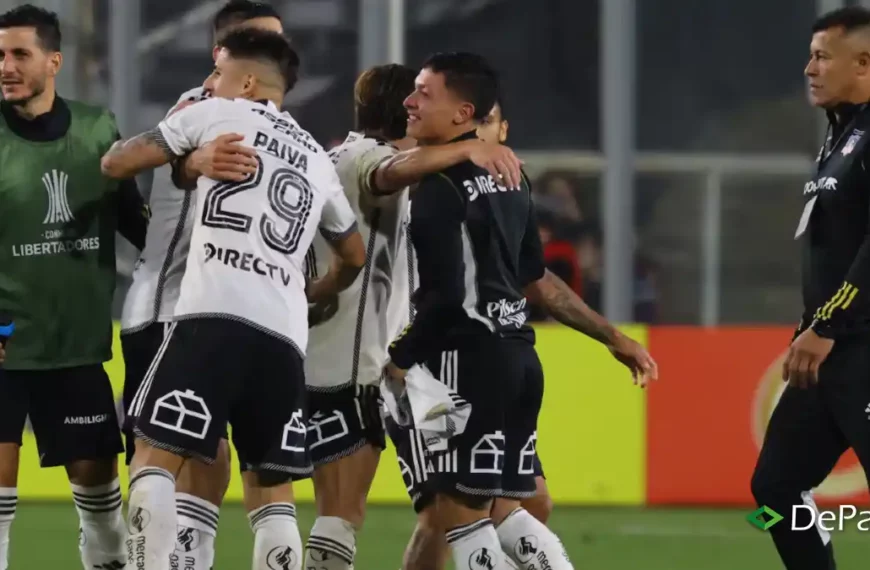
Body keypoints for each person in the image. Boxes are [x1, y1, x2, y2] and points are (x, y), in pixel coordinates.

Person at [101, 28, 365, 570]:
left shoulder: (217, 113)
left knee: (153, 460)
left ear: (245, 82)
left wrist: (190, 155)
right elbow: (354, 254)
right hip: (284, 337)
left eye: (218, 73)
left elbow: (117, 163)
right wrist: (313, 291)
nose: (209, 82)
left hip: (211, 317)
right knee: (273, 493)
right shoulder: (316, 155)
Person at [391, 94, 656, 570]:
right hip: (434, 365)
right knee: (453, 513)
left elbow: (533, 279)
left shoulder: (506, 191)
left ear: (502, 131)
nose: (480, 140)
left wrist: (611, 336)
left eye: (487, 128)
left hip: (480, 356)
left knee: (515, 504)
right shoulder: (419, 177)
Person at [301, 64, 521, 570]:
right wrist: (468, 147)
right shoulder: (365, 158)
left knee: (458, 506)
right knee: (341, 514)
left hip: (399, 375)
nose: (422, 108)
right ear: (406, 111)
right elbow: (387, 172)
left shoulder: (333, 158)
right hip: (353, 372)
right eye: (419, 99)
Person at [119, 2, 282, 568]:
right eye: (257, 45)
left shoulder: (278, 130)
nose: (269, 60)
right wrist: (193, 162)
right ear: (222, 55)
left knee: (215, 457)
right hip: (169, 309)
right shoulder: (198, 107)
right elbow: (162, 164)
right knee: (171, 457)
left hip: (229, 313)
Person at [0, 5, 148, 570]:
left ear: (54, 60)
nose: (6, 66)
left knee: (101, 508)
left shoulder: (97, 128)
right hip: (6, 344)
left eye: (20, 54)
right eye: (0, 55)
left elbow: (134, 221)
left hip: (76, 347)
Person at [751, 6, 870, 570]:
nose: (809, 68)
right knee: (775, 490)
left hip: (859, 343)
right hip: (828, 350)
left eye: (823, 56)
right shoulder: (840, 134)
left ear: (864, 63)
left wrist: (827, 324)